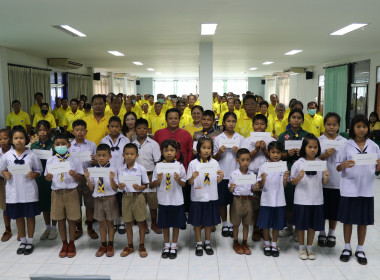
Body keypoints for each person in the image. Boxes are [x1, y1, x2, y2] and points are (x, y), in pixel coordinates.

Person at [336, 114, 380, 265]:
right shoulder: (345, 145)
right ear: (352, 128)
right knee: (347, 220)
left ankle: (360, 248)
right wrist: (344, 165)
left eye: (364, 126)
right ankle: (347, 247)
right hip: (349, 187)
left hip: (366, 188)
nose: (362, 130)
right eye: (358, 126)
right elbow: (338, 167)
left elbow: (377, 168)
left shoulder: (374, 146)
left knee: (363, 221)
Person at [0, 126, 42, 255]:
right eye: (16, 138)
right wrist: (5, 174)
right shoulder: (7, 156)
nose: (19, 141)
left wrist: (34, 174)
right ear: (12, 140)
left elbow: (39, 170)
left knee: (30, 216)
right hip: (14, 191)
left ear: (26, 139)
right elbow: (2, 170)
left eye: (21, 138)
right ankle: (22, 240)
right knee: (18, 217)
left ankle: (30, 241)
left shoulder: (32, 155)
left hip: (28, 190)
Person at [290, 134, 329, 260]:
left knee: (312, 225)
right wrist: (299, 177)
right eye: (310, 147)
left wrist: (326, 177)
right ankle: (301, 247)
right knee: (301, 225)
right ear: (304, 148)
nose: (313, 150)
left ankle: (309, 247)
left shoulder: (321, 163)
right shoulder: (298, 163)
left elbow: (324, 182)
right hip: (302, 199)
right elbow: (292, 182)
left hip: (316, 199)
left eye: (315, 147)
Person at [45, 133, 84, 258]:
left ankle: (72, 243)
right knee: (60, 219)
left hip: (71, 192)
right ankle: (64, 243)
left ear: (68, 145)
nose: (60, 146)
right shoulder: (51, 160)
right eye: (57, 144)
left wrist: (75, 175)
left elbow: (80, 178)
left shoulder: (74, 159)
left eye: (63, 144)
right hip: (56, 193)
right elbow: (47, 177)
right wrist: (48, 177)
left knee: (72, 219)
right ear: (54, 146)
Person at [240, 114, 276, 241]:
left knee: (266, 203)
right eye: (257, 124)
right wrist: (256, 149)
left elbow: (275, 157)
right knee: (254, 204)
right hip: (252, 175)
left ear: (266, 126)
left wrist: (265, 149)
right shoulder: (246, 140)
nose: (259, 126)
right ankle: (255, 228)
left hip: (269, 175)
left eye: (262, 124)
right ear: (253, 125)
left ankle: (264, 229)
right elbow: (243, 158)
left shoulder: (272, 140)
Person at [187, 137, 224, 256]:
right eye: (204, 148)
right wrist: (193, 176)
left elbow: (217, 181)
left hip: (211, 196)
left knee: (208, 222)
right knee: (197, 222)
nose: (206, 150)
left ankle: (207, 242)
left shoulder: (215, 163)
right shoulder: (193, 163)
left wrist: (221, 177)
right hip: (197, 197)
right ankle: (198, 243)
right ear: (198, 149)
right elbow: (189, 182)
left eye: (209, 148)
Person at [151, 139, 187, 259]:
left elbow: (184, 184)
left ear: (176, 152)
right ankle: (166, 245)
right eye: (166, 151)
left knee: (176, 224)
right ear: (162, 152)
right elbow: (153, 184)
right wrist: (158, 180)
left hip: (176, 199)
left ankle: (174, 245)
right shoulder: (158, 166)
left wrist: (178, 180)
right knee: (165, 224)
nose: (169, 153)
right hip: (163, 200)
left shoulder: (180, 166)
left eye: (172, 150)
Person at [277, 109, 310, 239]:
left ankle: (299, 229)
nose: (296, 120)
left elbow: (313, 152)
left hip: (303, 170)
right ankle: (289, 227)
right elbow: (276, 155)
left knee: (301, 200)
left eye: (299, 118)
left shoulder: (307, 136)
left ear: (302, 120)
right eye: (293, 117)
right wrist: (286, 154)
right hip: (288, 169)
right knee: (289, 199)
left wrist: (302, 154)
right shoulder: (283, 136)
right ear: (289, 119)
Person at [317, 113, 347, 248]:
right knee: (322, 209)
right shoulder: (319, 140)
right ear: (324, 125)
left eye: (334, 124)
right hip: (321, 182)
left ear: (338, 126)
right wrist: (324, 155)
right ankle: (322, 233)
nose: (331, 127)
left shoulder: (344, 142)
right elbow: (313, 159)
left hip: (337, 181)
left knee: (334, 210)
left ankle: (332, 233)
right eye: (328, 124)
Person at [84, 144, 119, 257]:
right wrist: (88, 179)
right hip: (98, 199)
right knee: (101, 223)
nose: (101, 158)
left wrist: (112, 179)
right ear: (95, 156)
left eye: (104, 155)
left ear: (110, 156)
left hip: (110, 198)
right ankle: (103, 244)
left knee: (110, 222)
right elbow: (91, 188)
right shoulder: (92, 170)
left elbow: (115, 188)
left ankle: (111, 244)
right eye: (99, 155)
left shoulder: (113, 170)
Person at [256, 141, 289, 257]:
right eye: (273, 152)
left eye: (278, 153)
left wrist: (285, 178)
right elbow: (259, 185)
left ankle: (274, 244)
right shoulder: (264, 166)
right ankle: (266, 244)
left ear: (281, 154)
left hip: (279, 200)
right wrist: (263, 180)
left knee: (276, 224)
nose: (275, 155)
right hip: (266, 200)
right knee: (265, 224)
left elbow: (284, 185)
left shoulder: (283, 166)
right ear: (268, 153)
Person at [213, 112, 244, 238]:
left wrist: (239, 153)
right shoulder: (219, 138)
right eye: (228, 121)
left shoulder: (240, 138)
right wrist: (219, 152)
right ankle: (224, 224)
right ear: (224, 123)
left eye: (233, 121)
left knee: (234, 202)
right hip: (222, 174)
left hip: (236, 174)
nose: (231, 124)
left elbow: (244, 158)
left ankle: (231, 224)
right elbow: (214, 158)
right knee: (222, 202)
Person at [118, 143, 150, 258]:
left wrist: (139, 187)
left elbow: (146, 185)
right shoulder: (120, 169)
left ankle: (141, 245)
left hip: (138, 197)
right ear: (123, 155)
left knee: (141, 222)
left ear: (137, 155)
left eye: (131, 154)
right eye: (126, 154)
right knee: (128, 222)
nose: (129, 156)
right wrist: (120, 186)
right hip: (126, 197)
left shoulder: (141, 168)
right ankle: (130, 245)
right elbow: (118, 185)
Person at [100, 116, 130, 234]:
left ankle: (122, 222)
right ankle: (114, 221)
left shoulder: (125, 140)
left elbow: (128, 155)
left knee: (121, 198)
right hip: (109, 173)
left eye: (117, 126)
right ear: (108, 127)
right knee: (111, 199)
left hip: (122, 171)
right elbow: (102, 156)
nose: (114, 129)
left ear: (120, 127)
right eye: (112, 126)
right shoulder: (104, 140)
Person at [69, 120, 98, 240]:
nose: (80, 132)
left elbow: (98, 161)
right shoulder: (69, 146)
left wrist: (94, 161)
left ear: (86, 131)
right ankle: (78, 228)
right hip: (74, 178)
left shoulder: (92, 145)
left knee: (90, 204)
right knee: (76, 204)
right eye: (77, 130)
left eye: (82, 130)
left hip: (88, 177)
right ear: (73, 131)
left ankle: (90, 227)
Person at [132, 118, 161, 234]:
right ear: (135, 130)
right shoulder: (132, 145)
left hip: (150, 176)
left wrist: (156, 178)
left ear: (148, 130)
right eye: (139, 128)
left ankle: (154, 223)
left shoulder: (153, 144)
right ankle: (143, 224)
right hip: (137, 177)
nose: (142, 131)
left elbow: (157, 162)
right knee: (140, 202)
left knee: (153, 202)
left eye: (144, 128)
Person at [30, 120, 57, 241]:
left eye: (44, 130)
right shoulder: (34, 146)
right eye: (40, 130)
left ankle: (54, 228)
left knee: (53, 204)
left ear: (49, 130)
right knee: (44, 204)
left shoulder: (54, 145)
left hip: (52, 178)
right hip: (40, 179)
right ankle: (47, 227)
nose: (42, 132)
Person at [228, 148, 255, 255]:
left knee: (246, 223)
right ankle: (235, 242)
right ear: (237, 160)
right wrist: (231, 187)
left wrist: (256, 187)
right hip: (237, 200)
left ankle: (244, 242)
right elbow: (230, 190)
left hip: (248, 200)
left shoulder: (251, 174)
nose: (245, 162)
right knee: (235, 223)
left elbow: (253, 189)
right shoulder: (234, 174)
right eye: (243, 160)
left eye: (247, 160)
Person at [0, 129, 13, 242]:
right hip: (2, 180)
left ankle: (21, 229)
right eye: (0, 139)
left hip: (15, 180)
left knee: (18, 203)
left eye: (5, 138)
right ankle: (7, 229)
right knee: (5, 205)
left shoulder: (16, 151)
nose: (3, 141)